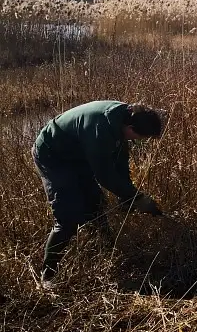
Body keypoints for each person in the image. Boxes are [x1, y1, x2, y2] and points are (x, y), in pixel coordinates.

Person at [32, 100, 165, 285]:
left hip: (78, 154)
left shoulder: (122, 121)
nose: (136, 141)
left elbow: (120, 166)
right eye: (138, 137)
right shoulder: (101, 129)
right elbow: (105, 176)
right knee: (68, 217)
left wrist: (127, 196)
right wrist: (138, 198)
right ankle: (47, 275)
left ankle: (108, 252)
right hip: (53, 155)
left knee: (96, 206)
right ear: (130, 127)